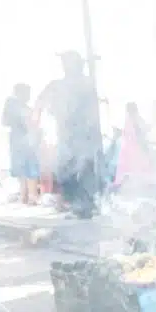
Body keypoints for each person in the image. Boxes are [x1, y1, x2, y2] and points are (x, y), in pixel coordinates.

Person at [37, 51, 102, 218]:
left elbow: (92, 114)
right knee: (64, 169)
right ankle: (75, 204)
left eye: (68, 63)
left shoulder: (86, 84)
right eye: (64, 63)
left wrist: (91, 136)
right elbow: (45, 102)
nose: (65, 67)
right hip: (67, 136)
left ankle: (84, 206)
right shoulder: (59, 85)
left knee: (82, 169)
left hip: (82, 137)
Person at [1, 83, 40, 204]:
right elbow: (31, 122)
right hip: (23, 140)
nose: (29, 96)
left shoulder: (19, 106)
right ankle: (30, 197)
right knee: (28, 167)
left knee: (23, 168)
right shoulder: (13, 104)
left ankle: (25, 197)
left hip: (19, 139)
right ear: (19, 93)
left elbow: (5, 121)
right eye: (27, 93)